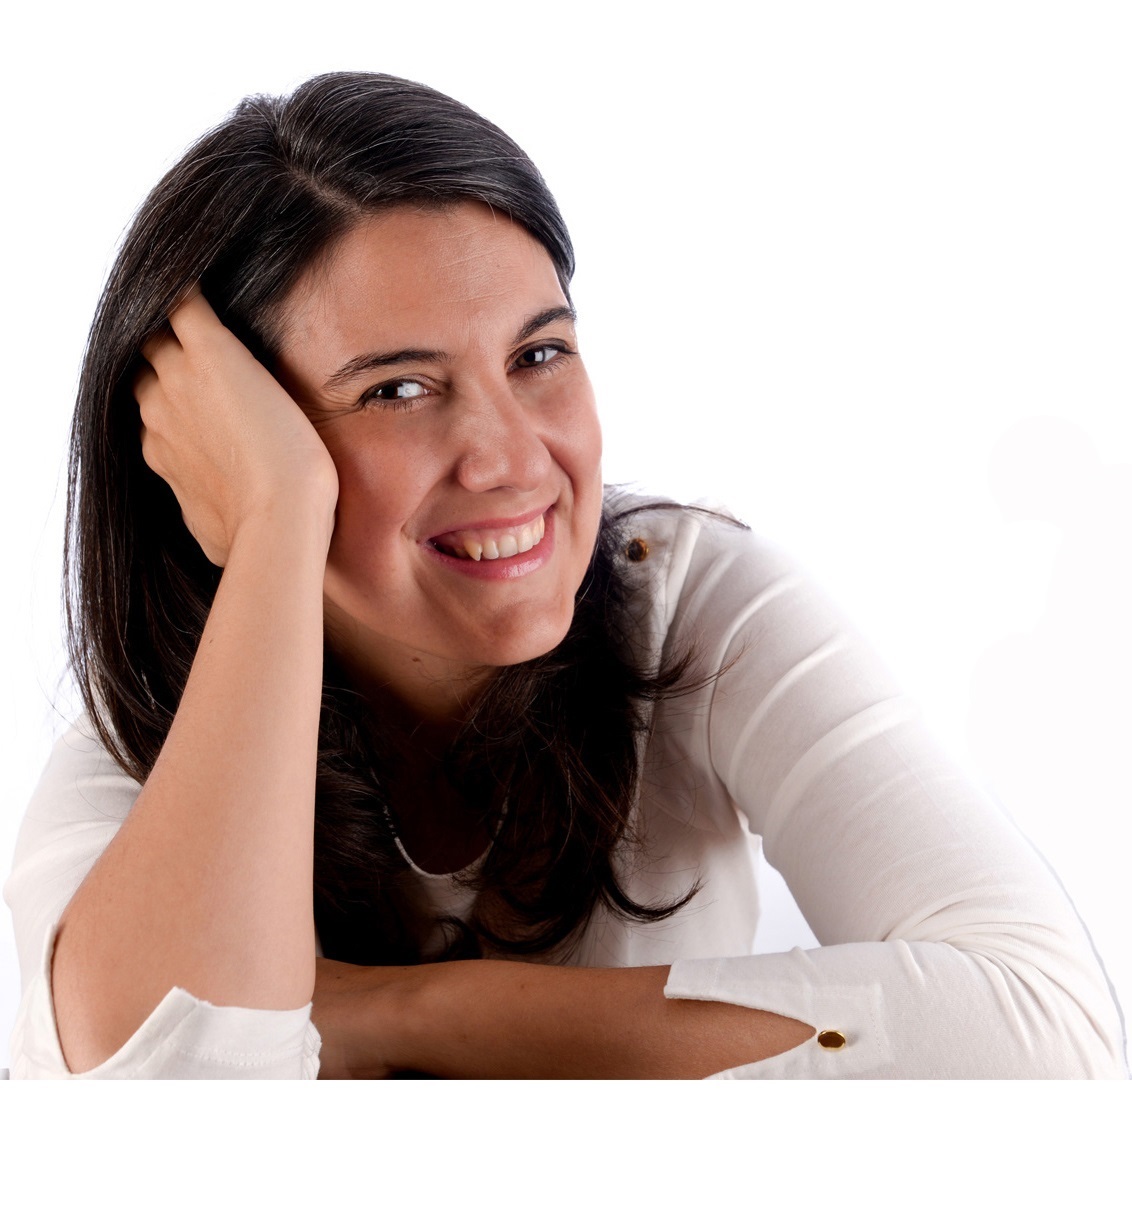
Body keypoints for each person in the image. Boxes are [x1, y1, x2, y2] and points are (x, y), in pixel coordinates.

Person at [3, 71, 1124, 1079]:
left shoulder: (689, 603)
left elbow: (1049, 1040)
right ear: (222, 451)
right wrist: (279, 518)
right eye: (395, 390)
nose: (510, 459)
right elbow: (175, 1120)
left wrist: (398, 1012)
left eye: (538, 355)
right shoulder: (138, 754)